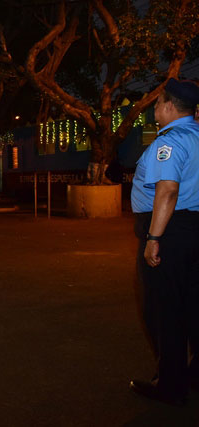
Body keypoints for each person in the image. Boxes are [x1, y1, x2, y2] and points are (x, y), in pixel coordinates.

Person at [129, 78, 199, 406]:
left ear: (169, 106)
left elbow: (167, 191)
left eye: (157, 103)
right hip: (194, 227)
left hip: (170, 230)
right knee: (193, 305)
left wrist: (154, 238)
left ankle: (171, 385)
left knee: (165, 309)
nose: (154, 109)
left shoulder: (170, 141)